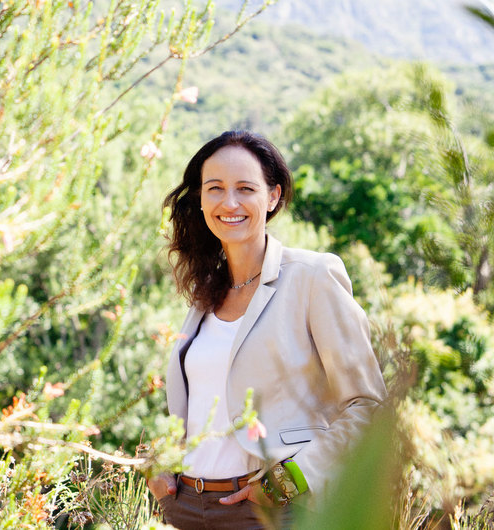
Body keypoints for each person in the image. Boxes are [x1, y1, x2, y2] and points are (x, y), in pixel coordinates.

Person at [148, 131, 387, 529]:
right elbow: (199, 406)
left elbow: (368, 405)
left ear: (273, 196)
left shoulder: (312, 277)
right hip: (185, 507)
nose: (230, 203)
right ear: (201, 200)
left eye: (245, 188)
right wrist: (159, 462)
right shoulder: (204, 293)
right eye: (216, 189)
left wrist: (286, 483)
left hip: (270, 511)